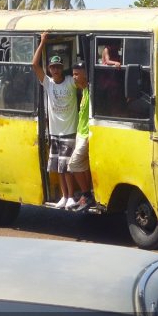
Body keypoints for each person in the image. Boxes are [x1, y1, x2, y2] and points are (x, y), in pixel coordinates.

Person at [32, 32, 78, 209]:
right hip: (54, 132)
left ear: (62, 67)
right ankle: (64, 197)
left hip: (69, 130)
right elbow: (34, 64)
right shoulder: (48, 83)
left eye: (58, 67)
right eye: (53, 67)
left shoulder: (70, 82)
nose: (56, 70)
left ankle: (71, 196)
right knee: (59, 167)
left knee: (67, 167)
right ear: (50, 69)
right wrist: (43, 42)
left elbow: (83, 82)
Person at [68, 62, 96, 212]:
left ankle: (86, 194)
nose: (74, 77)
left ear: (85, 75)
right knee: (83, 165)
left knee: (74, 164)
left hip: (86, 134)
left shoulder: (91, 90)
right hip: (81, 132)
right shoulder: (84, 90)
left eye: (77, 74)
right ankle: (87, 195)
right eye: (73, 74)